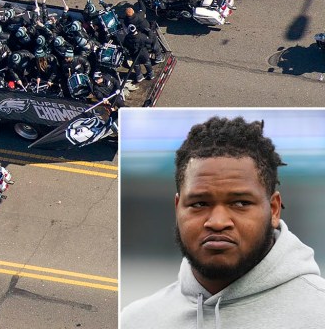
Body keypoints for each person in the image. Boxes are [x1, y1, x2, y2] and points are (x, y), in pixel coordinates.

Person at [120, 117, 325, 328]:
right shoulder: (136, 320)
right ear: (177, 208)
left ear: (273, 209)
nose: (218, 222)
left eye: (239, 203)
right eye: (199, 204)